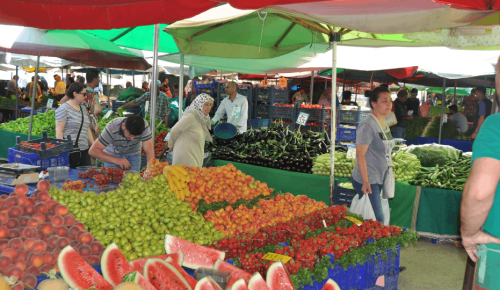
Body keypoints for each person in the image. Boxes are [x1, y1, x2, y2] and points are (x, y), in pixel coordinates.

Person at [351, 86, 394, 223]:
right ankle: (375, 243)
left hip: (380, 176)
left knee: (375, 218)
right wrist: (365, 181)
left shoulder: (384, 122)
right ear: (374, 104)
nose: (388, 104)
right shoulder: (368, 125)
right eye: (384, 101)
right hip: (369, 179)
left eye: (390, 101)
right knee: (378, 219)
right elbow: (360, 154)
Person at [89, 115, 154, 172]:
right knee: (112, 182)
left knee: (133, 181)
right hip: (112, 155)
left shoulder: (144, 126)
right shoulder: (112, 127)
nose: (132, 139)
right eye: (130, 135)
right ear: (123, 126)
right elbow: (93, 151)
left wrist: (150, 170)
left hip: (133, 155)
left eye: (135, 136)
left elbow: (149, 150)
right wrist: (116, 160)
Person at [168, 94, 213, 168]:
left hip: (193, 156)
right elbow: (174, 130)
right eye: (206, 104)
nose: (209, 107)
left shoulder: (200, 118)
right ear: (199, 104)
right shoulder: (191, 116)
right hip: (186, 160)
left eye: (210, 105)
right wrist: (170, 145)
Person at [55, 82, 92, 168]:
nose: (86, 97)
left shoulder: (83, 108)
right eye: (84, 94)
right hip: (70, 152)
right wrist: (61, 149)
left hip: (84, 150)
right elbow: (59, 130)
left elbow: (86, 128)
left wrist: (93, 144)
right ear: (75, 93)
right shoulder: (63, 108)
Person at [60, 69, 102, 138]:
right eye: (98, 79)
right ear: (95, 80)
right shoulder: (91, 93)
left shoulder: (78, 88)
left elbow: (62, 101)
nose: (99, 80)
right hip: (88, 127)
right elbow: (98, 110)